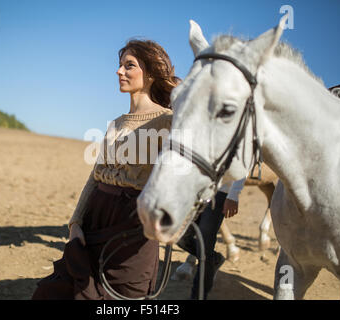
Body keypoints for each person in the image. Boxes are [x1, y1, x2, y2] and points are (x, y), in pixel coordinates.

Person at [32, 39, 180, 300]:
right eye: (120, 65)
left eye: (129, 66)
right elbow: (95, 176)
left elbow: (179, 176)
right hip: (95, 218)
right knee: (55, 291)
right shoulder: (116, 123)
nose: (119, 71)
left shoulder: (167, 121)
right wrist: (76, 223)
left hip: (135, 224)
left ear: (151, 74)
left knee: (121, 298)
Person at [176, 179, 245, 300]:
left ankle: (198, 296)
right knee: (179, 235)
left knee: (205, 246)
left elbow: (241, 162)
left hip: (220, 192)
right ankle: (215, 260)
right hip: (197, 189)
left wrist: (233, 194)